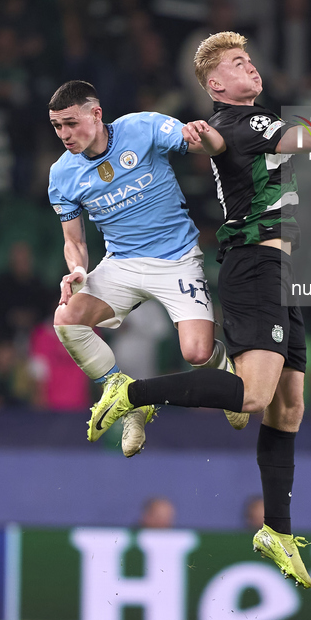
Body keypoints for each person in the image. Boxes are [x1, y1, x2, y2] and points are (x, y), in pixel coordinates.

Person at [87, 32, 311, 588]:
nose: (252, 68)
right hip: (254, 269)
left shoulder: (245, 127)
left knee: (289, 406)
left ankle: (277, 531)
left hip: (280, 274)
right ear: (216, 85)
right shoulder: (244, 123)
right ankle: (130, 392)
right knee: (255, 395)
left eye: (251, 59)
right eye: (238, 63)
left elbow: (277, 144)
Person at [47, 80, 242, 459]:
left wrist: (201, 136)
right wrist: (75, 270)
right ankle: (126, 397)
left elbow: (204, 146)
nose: (64, 134)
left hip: (176, 257)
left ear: (96, 114)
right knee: (66, 318)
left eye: (71, 123)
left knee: (197, 353)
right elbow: (75, 241)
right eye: (57, 126)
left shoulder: (144, 127)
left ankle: (226, 375)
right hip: (121, 263)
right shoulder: (62, 174)